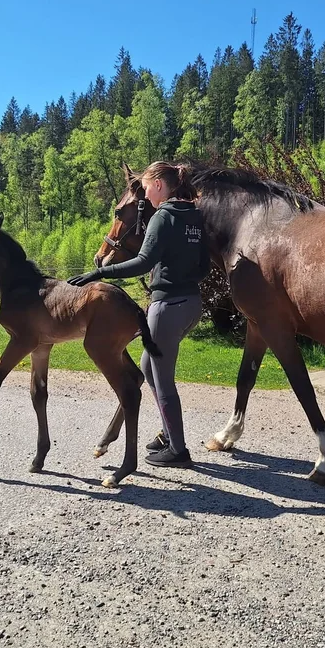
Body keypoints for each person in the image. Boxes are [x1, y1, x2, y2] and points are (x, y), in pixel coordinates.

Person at [68, 162, 210, 468]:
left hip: (168, 306)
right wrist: (182, 276)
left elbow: (143, 262)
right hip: (191, 305)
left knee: (163, 379)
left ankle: (178, 450)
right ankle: (170, 436)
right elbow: (204, 267)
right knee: (147, 367)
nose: (144, 193)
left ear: (159, 184)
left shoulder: (164, 217)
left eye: (146, 187)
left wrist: (100, 272)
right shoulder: (196, 217)